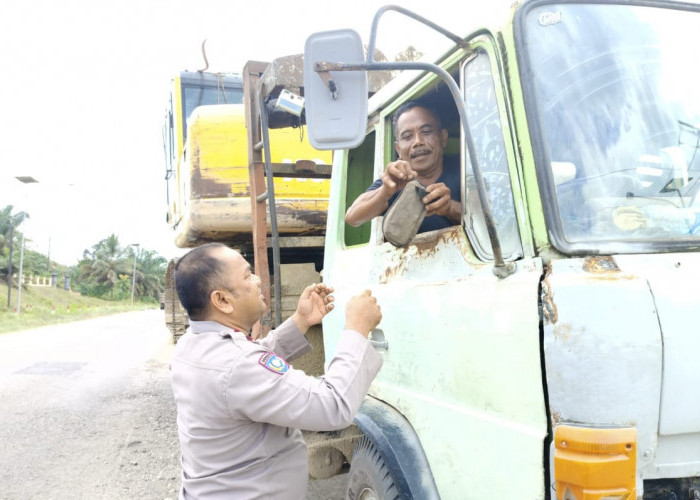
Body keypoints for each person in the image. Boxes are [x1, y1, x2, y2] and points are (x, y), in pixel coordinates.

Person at [170, 242, 383, 499]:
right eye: (248, 276)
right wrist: (357, 329)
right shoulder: (236, 366)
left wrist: (301, 321)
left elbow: (251, 363)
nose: (259, 280)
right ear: (222, 300)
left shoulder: (193, 344)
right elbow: (334, 406)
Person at [345, 101, 461, 233]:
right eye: (407, 136)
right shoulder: (396, 180)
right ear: (398, 149)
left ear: (443, 138)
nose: (418, 142)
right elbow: (352, 218)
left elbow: (487, 219)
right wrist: (385, 191)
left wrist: (449, 207)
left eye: (427, 132)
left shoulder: (464, 167)